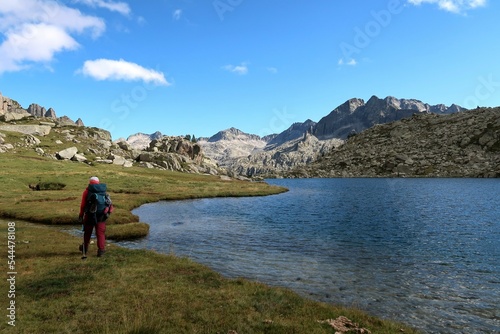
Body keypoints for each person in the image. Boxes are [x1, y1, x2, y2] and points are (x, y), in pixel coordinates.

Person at [79, 176, 107, 257]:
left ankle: (85, 248)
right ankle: (101, 251)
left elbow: (83, 205)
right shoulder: (103, 191)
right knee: (100, 233)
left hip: (89, 215)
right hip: (101, 215)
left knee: (87, 232)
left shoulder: (86, 192)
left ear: (90, 183)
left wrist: (81, 215)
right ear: (98, 182)